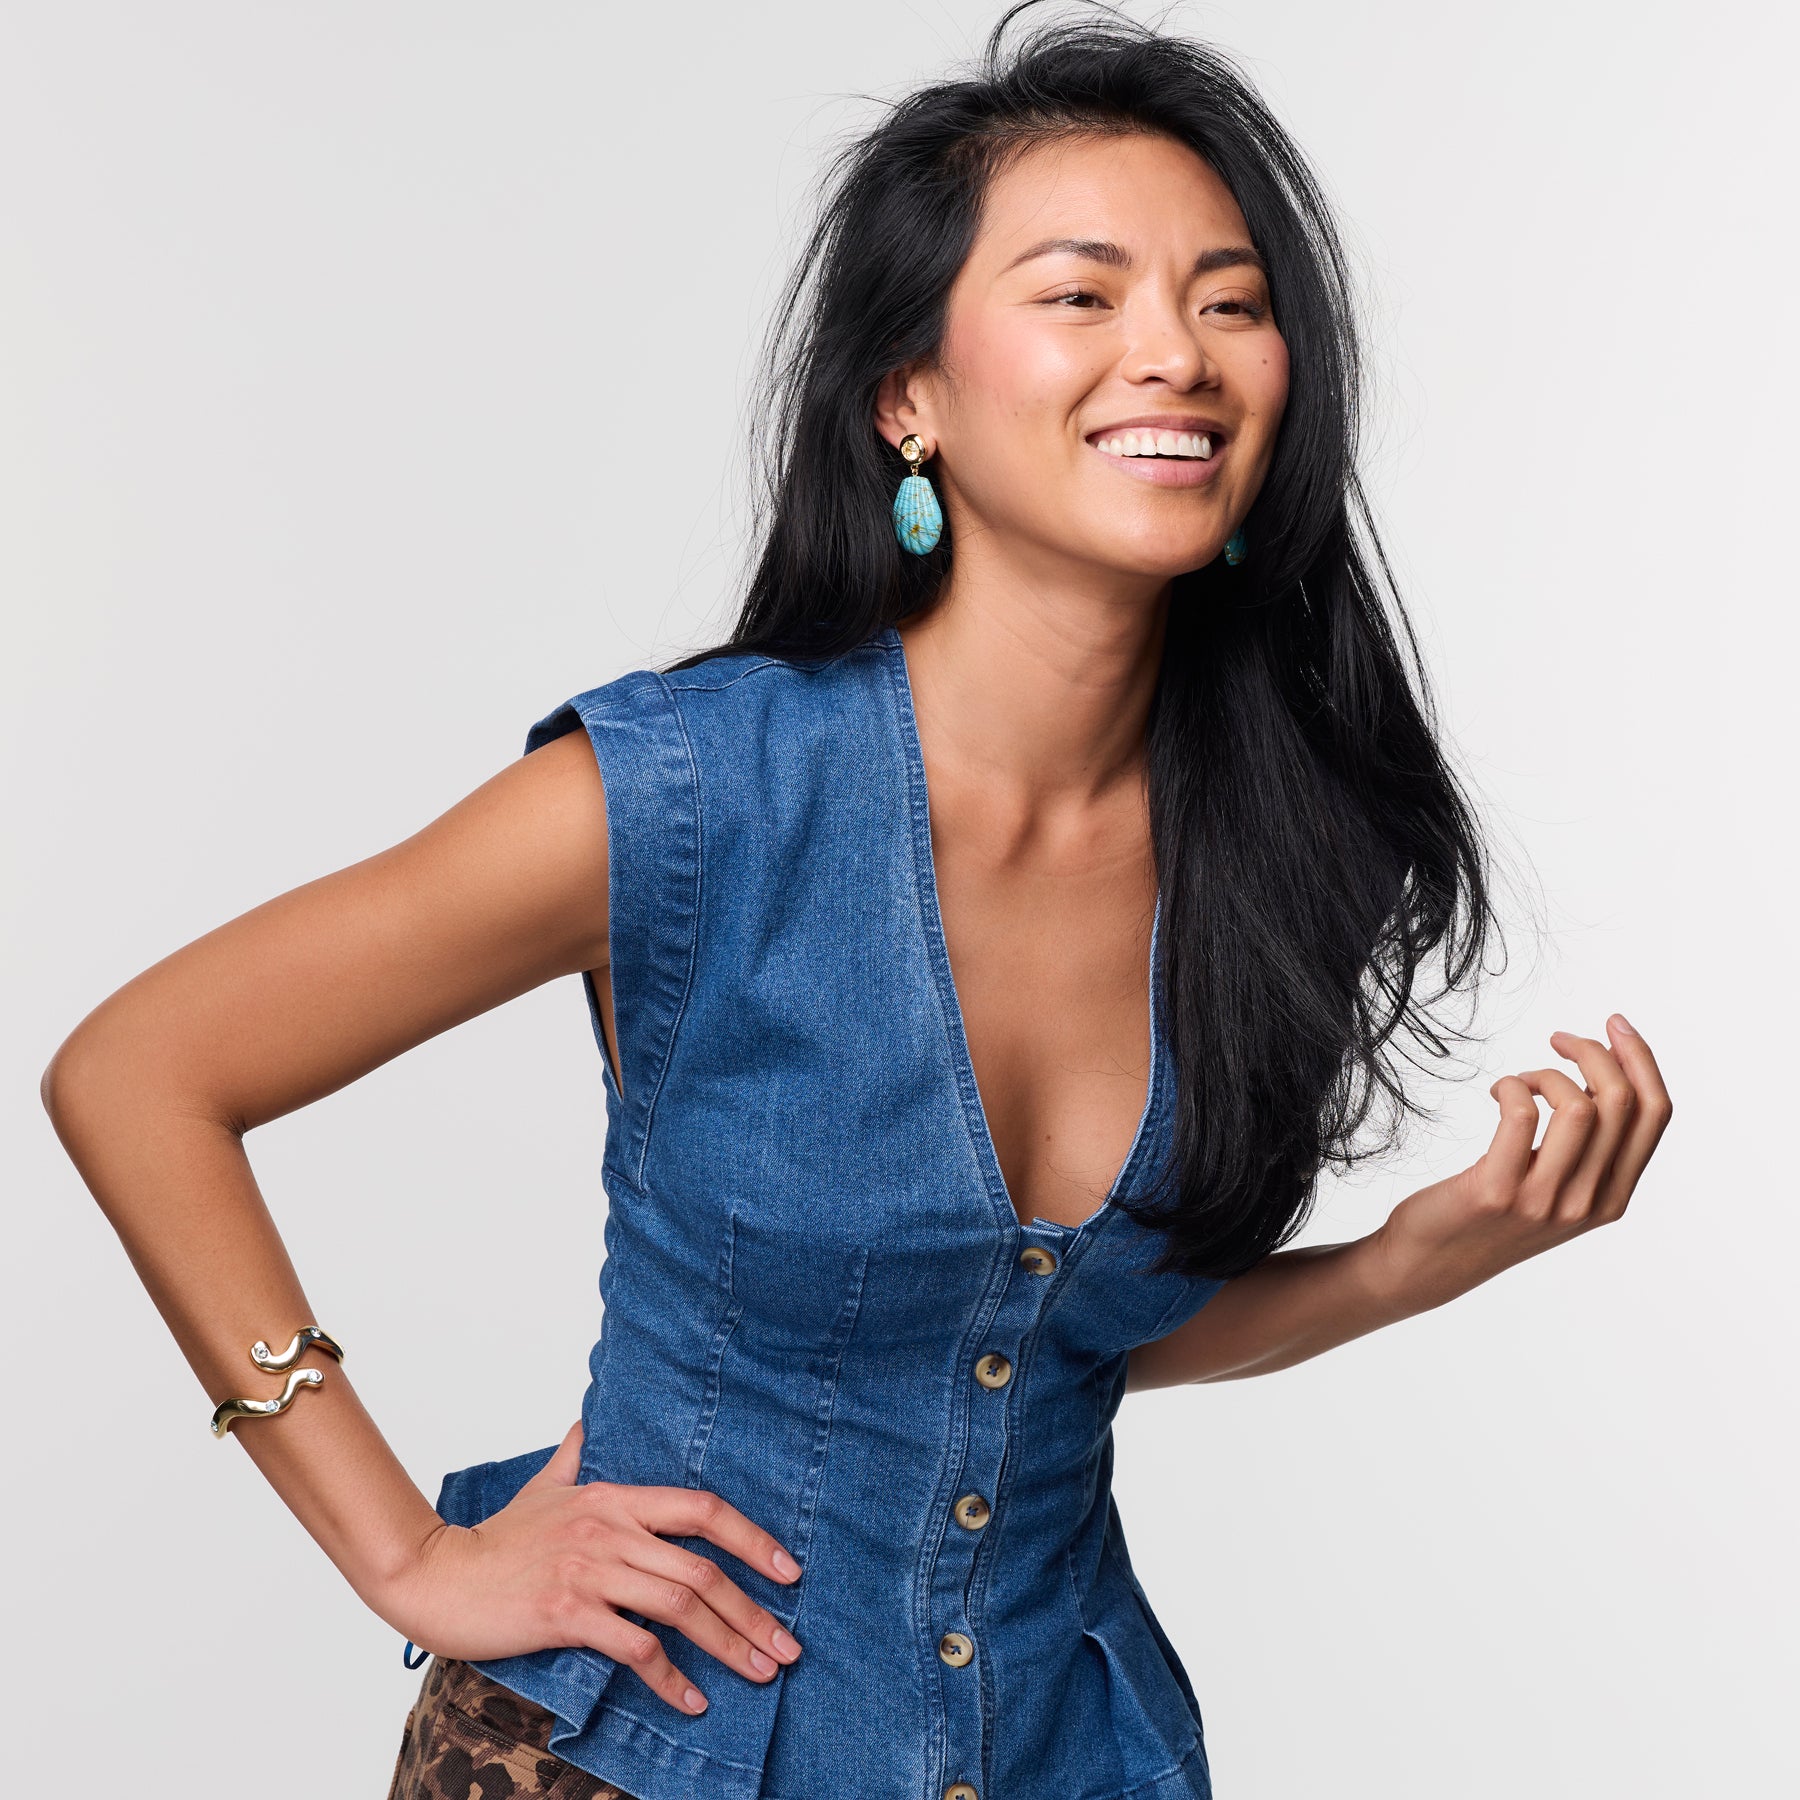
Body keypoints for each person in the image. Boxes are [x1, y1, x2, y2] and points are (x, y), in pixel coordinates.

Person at [39, 5, 1674, 1798]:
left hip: (1070, 1754)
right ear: (909, 396)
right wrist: (406, 1552)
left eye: (1228, 299)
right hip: (635, 1761)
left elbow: (1042, 1336)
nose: (1177, 356)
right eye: (1083, 295)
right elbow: (141, 1069)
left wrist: (1408, 1265)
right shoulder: (690, 793)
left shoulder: (1286, 841)